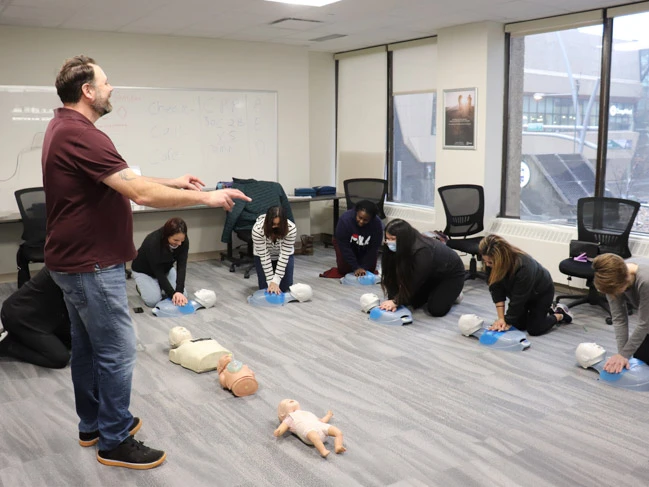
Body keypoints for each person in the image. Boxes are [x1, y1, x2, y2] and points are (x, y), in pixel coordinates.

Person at [42, 55, 250, 470]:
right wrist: (206, 197)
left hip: (73, 263)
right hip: (91, 266)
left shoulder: (63, 127)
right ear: (87, 91)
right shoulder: (81, 133)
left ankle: (93, 425)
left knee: (86, 348)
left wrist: (171, 181)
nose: (111, 88)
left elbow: (123, 179)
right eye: (105, 82)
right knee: (117, 352)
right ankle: (114, 440)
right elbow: (140, 194)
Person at [478, 234, 572, 336]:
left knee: (535, 329)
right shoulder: (490, 263)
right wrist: (501, 318)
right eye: (485, 261)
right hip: (519, 293)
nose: (487, 265)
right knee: (519, 325)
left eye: (490, 262)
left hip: (541, 293)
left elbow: (518, 299)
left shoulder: (524, 267)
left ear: (501, 259)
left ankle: (559, 314)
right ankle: (538, 314)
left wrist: (507, 320)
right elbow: (496, 289)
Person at [379, 218, 465, 317]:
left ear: (403, 238)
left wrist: (396, 301)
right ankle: (435, 291)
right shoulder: (396, 246)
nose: (389, 242)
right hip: (428, 274)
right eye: (387, 238)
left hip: (450, 274)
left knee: (436, 310)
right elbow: (390, 274)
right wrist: (393, 299)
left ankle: (454, 294)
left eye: (393, 239)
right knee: (408, 301)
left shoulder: (422, 250)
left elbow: (415, 280)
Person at [0, 267, 71, 368]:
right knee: (60, 358)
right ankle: (7, 345)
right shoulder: (63, 266)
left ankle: (24, 338)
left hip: (47, 315)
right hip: (21, 316)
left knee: (75, 342)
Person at [592, 254, 649, 373]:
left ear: (626, 279)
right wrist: (622, 355)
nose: (614, 296)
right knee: (639, 359)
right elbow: (619, 319)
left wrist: (624, 355)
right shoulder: (612, 277)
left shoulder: (645, 281)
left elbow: (644, 324)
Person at [131, 217, 189, 307]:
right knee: (153, 301)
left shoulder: (182, 240)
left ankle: (159, 287)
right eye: (176, 240)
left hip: (166, 268)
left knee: (183, 296)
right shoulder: (152, 241)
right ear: (167, 236)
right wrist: (172, 294)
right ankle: (140, 288)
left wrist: (179, 291)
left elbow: (182, 266)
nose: (179, 244)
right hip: (144, 271)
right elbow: (158, 271)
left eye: (182, 240)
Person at [321, 200, 384, 278]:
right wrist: (356, 267)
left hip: (365, 244)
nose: (361, 221)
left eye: (365, 220)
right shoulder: (345, 220)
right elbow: (344, 247)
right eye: (360, 218)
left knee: (369, 270)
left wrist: (364, 267)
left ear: (371, 219)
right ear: (356, 212)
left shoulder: (377, 224)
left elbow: (374, 248)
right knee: (345, 270)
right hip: (346, 244)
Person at [274, 399, 345, 458]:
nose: (290, 400)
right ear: (282, 413)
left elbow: (322, 421)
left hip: (320, 426)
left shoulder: (307, 413)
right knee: (314, 436)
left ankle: (338, 446)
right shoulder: (289, 418)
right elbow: (283, 427)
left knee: (338, 432)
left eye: (290, 399)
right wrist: (278, 432)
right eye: (286, 401)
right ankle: (323, 450)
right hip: (308, 432)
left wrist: (328, 415)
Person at [252, 206, 297, 294]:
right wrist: (270, 282)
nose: (275, 227)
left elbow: (284, 255)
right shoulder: (257, 229)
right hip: (263, 256)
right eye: (273, 224)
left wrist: (276, 281)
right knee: (266, 290)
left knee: (284, 290)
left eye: (278, 225)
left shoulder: (291, 229)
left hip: (283, 255)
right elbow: (264, 256)